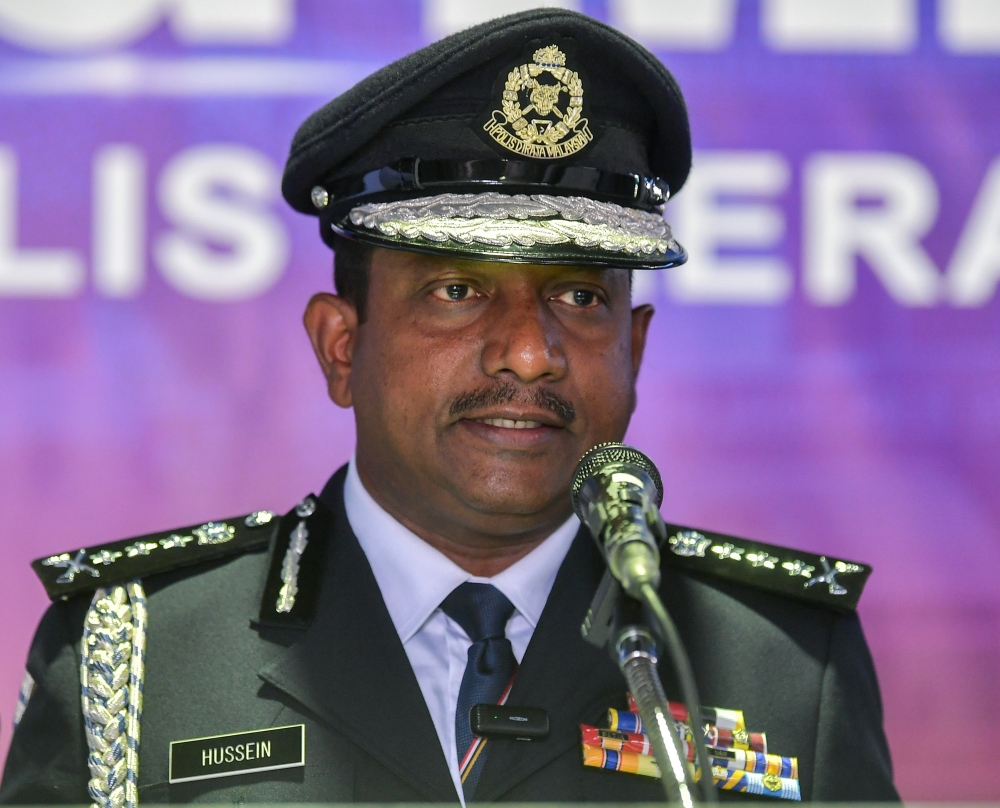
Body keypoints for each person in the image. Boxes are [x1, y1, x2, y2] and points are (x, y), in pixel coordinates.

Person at [1, 8, 898, 805]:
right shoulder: (141, 653)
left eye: (580, 298)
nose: (529, 352)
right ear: (340, 347)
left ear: (636, 348)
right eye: (458, 290)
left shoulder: (784, 663)